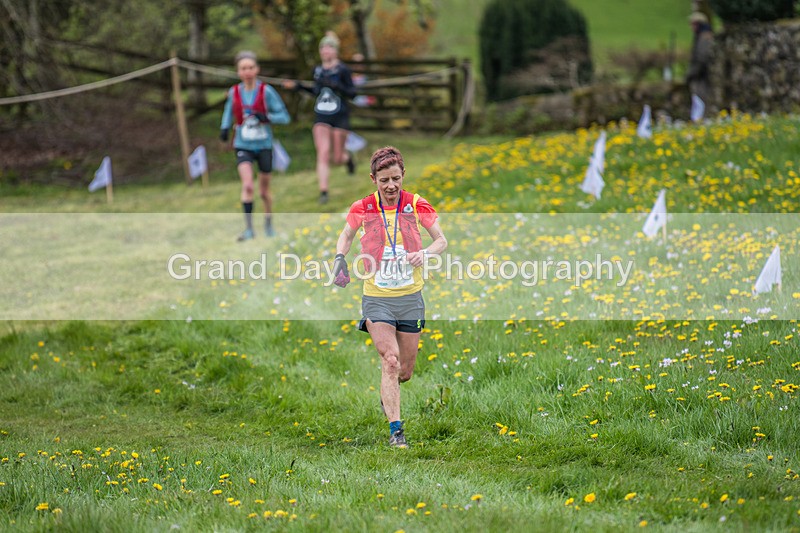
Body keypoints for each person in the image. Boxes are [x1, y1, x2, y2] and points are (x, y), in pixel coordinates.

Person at [332, 146, 447, 448]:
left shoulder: (416, 204)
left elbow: (441, 240)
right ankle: (396, 432)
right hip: (377, 297)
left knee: (404, 373)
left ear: (403, 175)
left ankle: (388, 395)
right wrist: (339, 258)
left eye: (396, 178)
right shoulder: (363, 207)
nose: (391, 186)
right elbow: (346, 235)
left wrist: (425, 254)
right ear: (374, 179)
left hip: (410, 298)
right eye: (384, 180)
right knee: (390, 361)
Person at [220, 50, 290, 241]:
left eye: (250, 67)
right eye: (243, 68)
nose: (247, 71)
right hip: (243, 145)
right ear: (238, 72)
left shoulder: (266, 91)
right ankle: (249, 229)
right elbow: (227, 112)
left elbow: (284, 117)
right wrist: (224, 128)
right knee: (248, 185)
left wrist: (267, 117)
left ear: (257, 69)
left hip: (264, 145)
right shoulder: (234, 92)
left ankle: (268, 225)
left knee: (264, 191)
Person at [283, 32, 357, 205]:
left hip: (340, 115)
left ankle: (348, 160)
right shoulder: (317, 70)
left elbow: (353, 93)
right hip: (322, 115)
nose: (325, 50)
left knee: (337, 158)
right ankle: (324, 191)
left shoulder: (343, 70)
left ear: (335, 51)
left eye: (329, 47)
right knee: (323, 153)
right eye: (323, 47)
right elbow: (316, 91)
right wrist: (297, 86)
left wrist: (338, 86)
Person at [686, 11, 714, 107]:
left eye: (693, 24)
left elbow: (701, 58)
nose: (691, 27)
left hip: (702, 77)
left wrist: (690, 74)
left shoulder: (704, 38)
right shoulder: (701, 36)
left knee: (700, 103)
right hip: (701, 75)